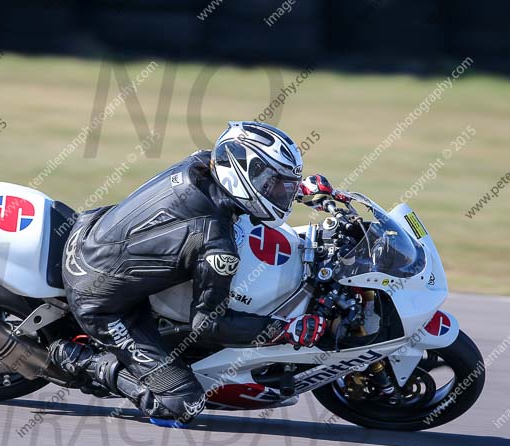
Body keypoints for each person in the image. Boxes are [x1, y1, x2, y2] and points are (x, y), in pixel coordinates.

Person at [50, 121, 328, 427]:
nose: (282, 194)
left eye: (285, 185)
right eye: (276, 184)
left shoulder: (201, 163)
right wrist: (285, 330)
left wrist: (299, 189)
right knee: (183, 404)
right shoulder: (216, 246)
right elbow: (208, 325)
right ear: (244, 175)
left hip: (91, 230)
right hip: (100, 299)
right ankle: (77, 359)